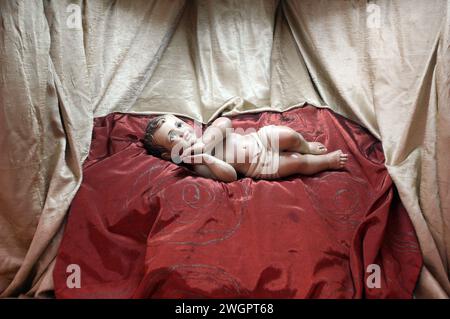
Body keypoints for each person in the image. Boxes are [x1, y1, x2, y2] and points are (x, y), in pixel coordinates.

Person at [143, 114, 348, 183]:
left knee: (290, 136)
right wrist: (207, 157)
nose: (181, 133)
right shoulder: (198, 166)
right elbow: (231, 177)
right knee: (296, 161)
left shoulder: (207, 133)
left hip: (260, 139)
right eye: (172, 137)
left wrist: (205, 143)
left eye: (179, 125)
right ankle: (326, 161)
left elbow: (225, 122)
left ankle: (306, 145)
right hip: (260, 166)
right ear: (170, 154)